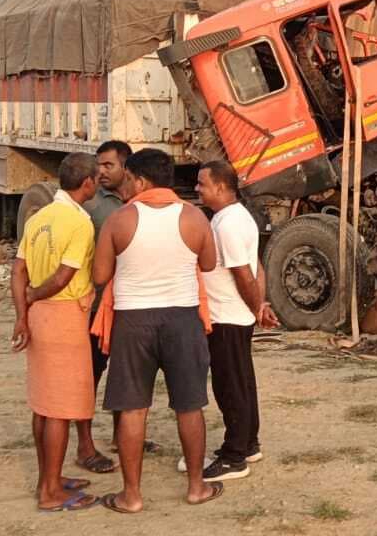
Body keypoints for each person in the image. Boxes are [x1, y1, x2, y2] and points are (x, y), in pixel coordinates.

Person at [90, 148, 222, 512]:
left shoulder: (120, 219)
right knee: (189, 406)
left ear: (140, 181)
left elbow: (100, 276)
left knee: (133, 409)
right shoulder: (194, 216)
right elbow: (208, 264)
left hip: (133, 321)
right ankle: (196, 487)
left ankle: (131, 495)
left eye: (130, 179)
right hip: (183, 318)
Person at [10, 153, 101, 512]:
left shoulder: (39, 216)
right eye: (96, 178)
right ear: (87, 183)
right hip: (63, 316)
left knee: (43, 404)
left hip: (38, 317)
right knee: (61, 408)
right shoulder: (80, 223)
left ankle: (48, 478)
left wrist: (23, 313)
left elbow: (18, 270)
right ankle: (50, 492)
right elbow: (64, 276)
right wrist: (35, 295)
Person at [186, 160, 279, 481]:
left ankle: (234, 456)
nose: (197, 189)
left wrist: (256, 308)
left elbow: (244, 273)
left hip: (227, 316)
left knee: (230, 387)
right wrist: (259, 305)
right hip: (232, 314)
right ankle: (248, 444)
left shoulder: (228, 224)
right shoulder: (232, 217)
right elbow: (256, 266)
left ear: (222, 187)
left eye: (202, 184)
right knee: (241, 382)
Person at [73, 139, 142, 475]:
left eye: (108, 165)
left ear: (126, 168)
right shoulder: (90, 206)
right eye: (98, 165)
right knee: (89, 376)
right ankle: (85, 447)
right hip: (96, 307)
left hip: (131, 307)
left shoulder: (141, 200)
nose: (100, 171)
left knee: (126, 374)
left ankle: (121, 436)